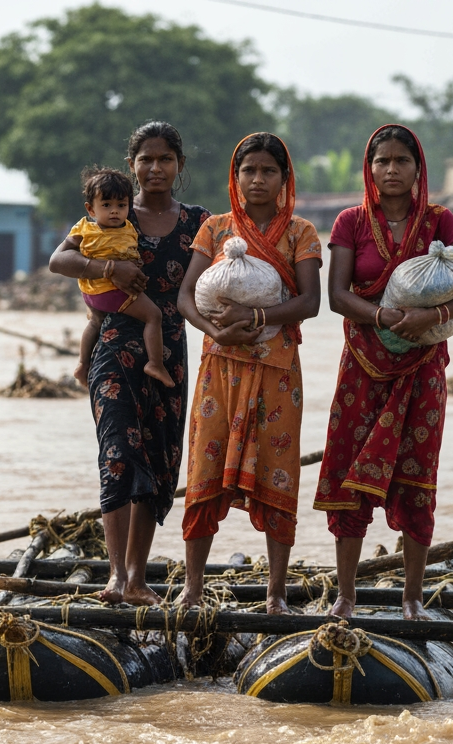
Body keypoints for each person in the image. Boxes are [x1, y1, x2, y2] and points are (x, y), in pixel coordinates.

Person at [314, 124, 453, 621]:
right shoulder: (350, 221)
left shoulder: (439, 221)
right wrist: (382, 316)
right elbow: (337, 296)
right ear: (368, 169)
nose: (391, 170)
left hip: (423, 369)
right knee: (348, 472)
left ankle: (412, 596)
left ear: (418, 169)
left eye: (401, 161)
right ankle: (346, 595)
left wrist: (431, 318)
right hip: (362, 365)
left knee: (416, 473)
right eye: (381, 162)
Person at [48, 122, 208, 605]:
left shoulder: (200, 221)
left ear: (179, 165)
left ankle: (138, 577)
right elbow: (59, 260)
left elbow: (221, 280)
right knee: (118, 454)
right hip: (114, 346)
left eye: (165, 159)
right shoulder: (110, 211)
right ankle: (116, 577)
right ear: (131, 164)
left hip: (168, 351)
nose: (155, 168)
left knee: (158, 462)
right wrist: (108, 268)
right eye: (145, 159)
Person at [176, 133, 322, 615]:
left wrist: (258, 320)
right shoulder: (214, 229)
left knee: (277, 476)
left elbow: (309, 302)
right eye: (248, 171)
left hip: (277, 371)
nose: (257, 180)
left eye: (268, 171)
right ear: (235, 178)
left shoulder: (300, 232)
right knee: (204, 469)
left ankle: (276, 594)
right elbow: (186, 296)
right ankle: (193, 590)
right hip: (220, 368)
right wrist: (216, 330)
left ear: (284, 178)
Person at [66, 167, 174, 388]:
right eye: (106, 205)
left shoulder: (83, 228)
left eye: (121, 205)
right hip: (111, 292)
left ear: (129, 206)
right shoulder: (124, 230)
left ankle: (82, 364)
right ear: (91, 209)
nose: (114, 211)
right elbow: (57, 260)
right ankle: (155, 363)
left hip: (90, 293)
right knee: (153, 316)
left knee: (95, 322)